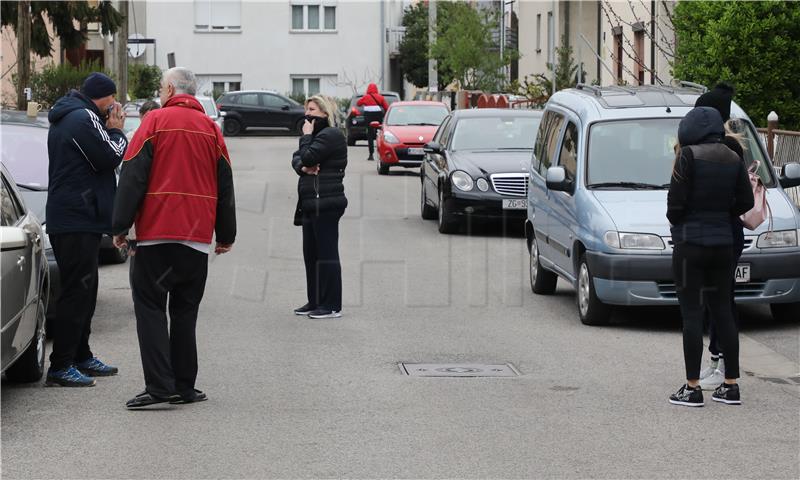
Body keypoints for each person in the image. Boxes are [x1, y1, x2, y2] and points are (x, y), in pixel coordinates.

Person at [112, 67, 236, 409]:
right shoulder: (211, 130)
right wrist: (225, 234)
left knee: (150, 307)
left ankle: (159, 387)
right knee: (185, 311)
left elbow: (133, 175)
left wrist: (120, 227)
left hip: (156, 236)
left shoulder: (153, 123)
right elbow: (225, 184)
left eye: (161, 87)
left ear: (169, 88)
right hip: (195, 240)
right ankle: (185, 386)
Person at [667, 106, 754, 407]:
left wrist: (683, 221)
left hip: (691, 245)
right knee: (723, 311)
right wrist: (721, 214)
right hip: (723, 244)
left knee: (691, 313)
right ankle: (730, 385)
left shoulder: (688, 156)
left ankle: (692, 388)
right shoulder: (732, 156)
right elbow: (746, 200)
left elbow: (674, 206)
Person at [45, 72, 127, 387]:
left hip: (81, 218)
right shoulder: (82, 118)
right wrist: (118, 131)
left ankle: (81, 355)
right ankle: (61, 365)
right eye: (113, 99)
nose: (116, 106)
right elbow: (110, 156)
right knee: (76, 293)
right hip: (75, 218)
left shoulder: (78, 115)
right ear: (103, 97)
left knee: (86, 291)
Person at [693, 83, 747, 389]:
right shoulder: (720, 146)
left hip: (724, 233)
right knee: (715, 299)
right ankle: (716, 360)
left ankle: (725, 364)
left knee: (722, 301)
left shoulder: (728, 149)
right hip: (721, 232)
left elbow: (741, 200)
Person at [291, 95, 348, 319]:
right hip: (310, 202)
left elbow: (306, 155)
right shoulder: (316, 136)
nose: (308, 114)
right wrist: (303, 167)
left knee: (327, 255)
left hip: (326, 203)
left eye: (312, 110)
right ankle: (315, 301)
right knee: (311, 255)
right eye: (307, 109)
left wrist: (305, 139)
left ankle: (332, 305)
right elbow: (298, 159)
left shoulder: (331, 135)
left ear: (325, 113)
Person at [357, 83, 389, 161]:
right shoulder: (380, 97)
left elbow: (358, 103)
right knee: (380, 133)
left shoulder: (365, 97)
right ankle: (381, 153)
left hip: (368, 116)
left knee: (370, 135)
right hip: (378, 115)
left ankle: (371, 154)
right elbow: (386, 107)